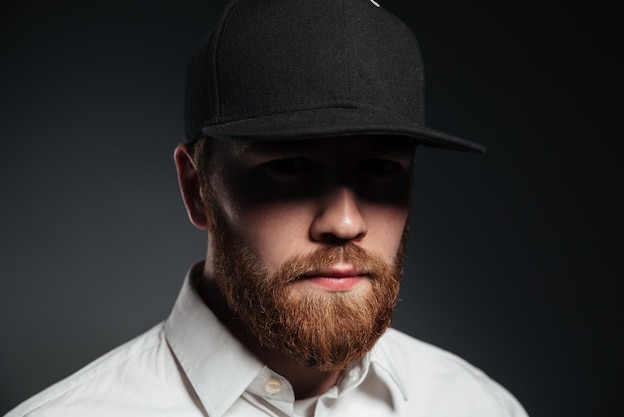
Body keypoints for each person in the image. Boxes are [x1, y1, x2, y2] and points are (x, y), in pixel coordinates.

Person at [6, 0, 528, 416]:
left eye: (380, 169)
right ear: (196, 188)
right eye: (290, 167)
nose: (345, 222)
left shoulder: (477, 405)